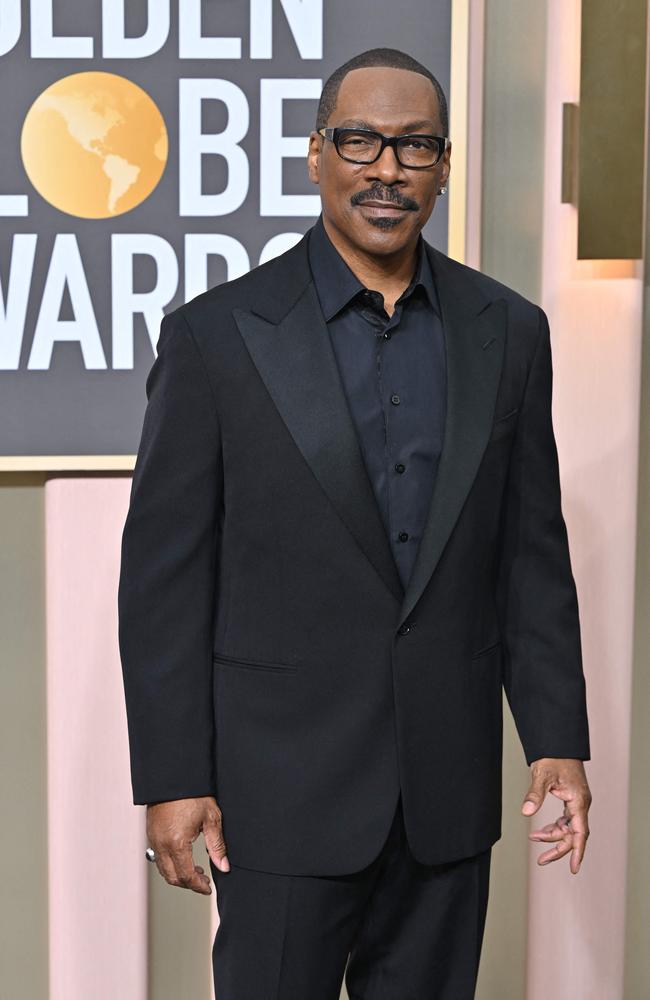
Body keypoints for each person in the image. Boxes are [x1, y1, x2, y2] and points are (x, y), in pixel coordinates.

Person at [118, 47, 592, 1000]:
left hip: (446, 795)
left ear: (444, 165)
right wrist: (170, 778)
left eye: (415, 145)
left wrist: (557, 740)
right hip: (278, 795)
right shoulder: (216, 336)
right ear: (316, 154)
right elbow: (166, 577)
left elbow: (530, 557)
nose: (388, 167)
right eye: (361, 140)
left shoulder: (512, 332)